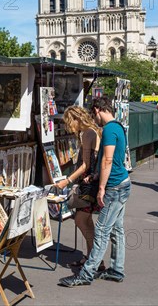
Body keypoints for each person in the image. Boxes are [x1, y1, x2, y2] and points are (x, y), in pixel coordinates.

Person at [59, 96, 131, 287]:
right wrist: (96, 175)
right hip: (121, 182)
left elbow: (107, 160)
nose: (93, 117)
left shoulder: (108, 129)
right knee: (116, 230)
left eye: (94, 112)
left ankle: (86, 274)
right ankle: (116, 270)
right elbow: (112, 159)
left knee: (101, 230)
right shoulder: (118, 127)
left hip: (114, 186)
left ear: (98, 109)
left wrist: (100, 187)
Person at [55, 106, 105, 272]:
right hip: (93, 182)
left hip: (88, 185)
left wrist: (67, 180)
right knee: (86, 220)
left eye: (70, 123)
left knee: (81, 220)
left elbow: (85, 165)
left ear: (77, 119)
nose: (70, 127)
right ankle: (92, 256)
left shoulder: (87, 134)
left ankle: (95, 259)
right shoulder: (94, 130)